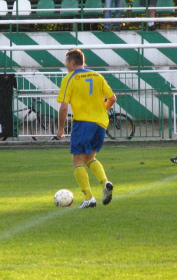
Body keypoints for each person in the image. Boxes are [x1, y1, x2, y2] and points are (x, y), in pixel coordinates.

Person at [56, 49, 118, 209]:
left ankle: (89, 197)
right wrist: (101, 110)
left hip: (83, 122)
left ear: (72, 62)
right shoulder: (97, 76)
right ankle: (105, 182)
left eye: (66, 63)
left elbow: (63, 107)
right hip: (101, 123)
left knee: (77, 160)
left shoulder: (70, 78)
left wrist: (60, 129)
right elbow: (112, 98)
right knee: (90, 157)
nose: (66, 66)